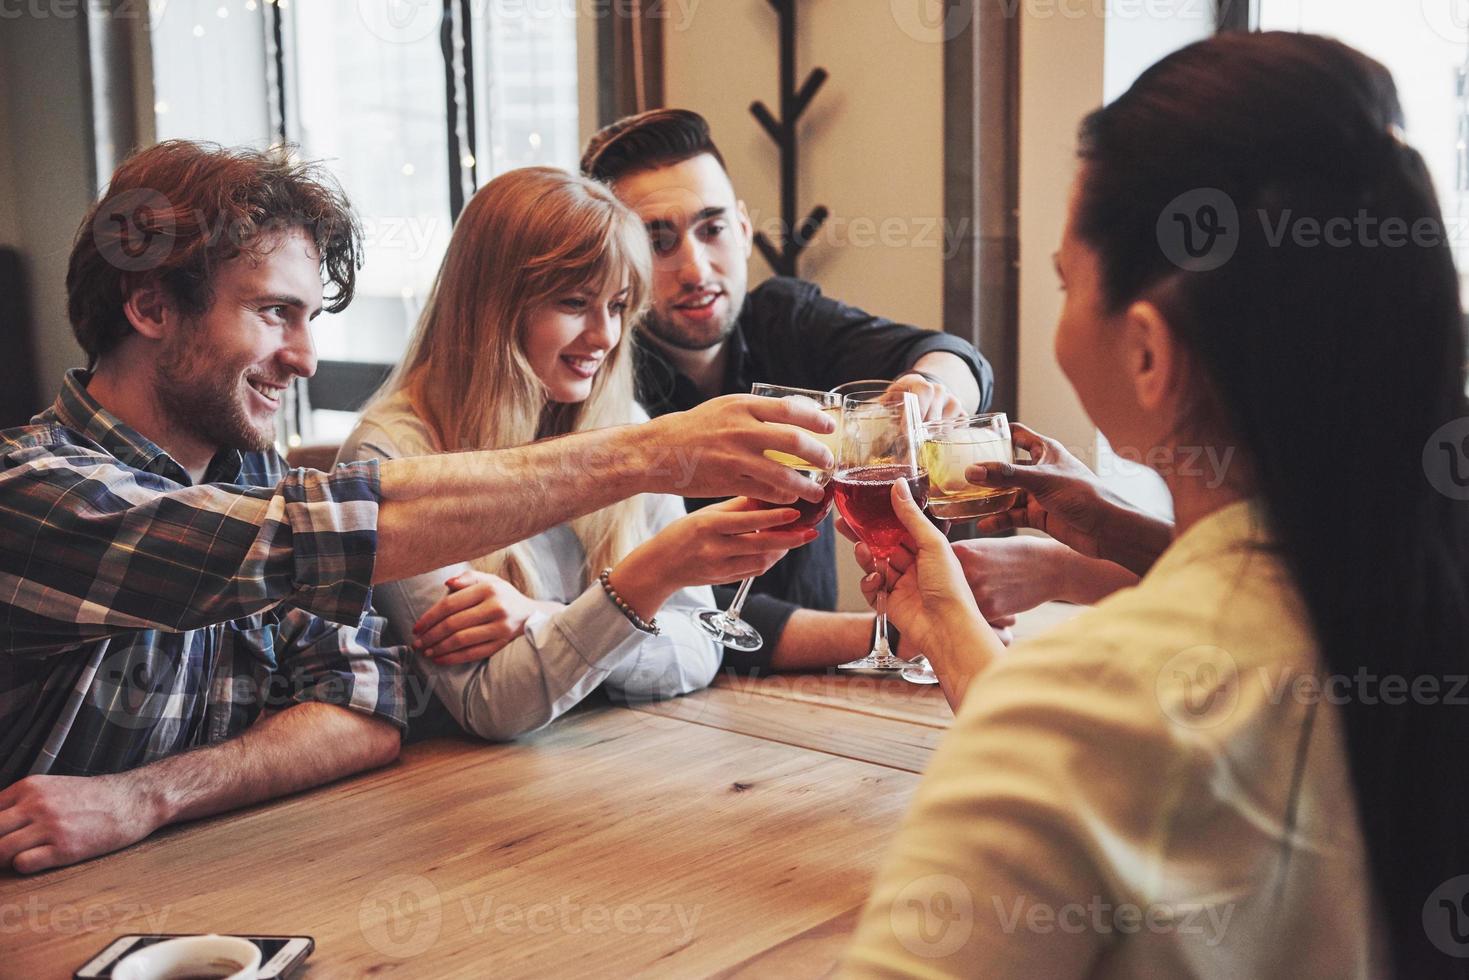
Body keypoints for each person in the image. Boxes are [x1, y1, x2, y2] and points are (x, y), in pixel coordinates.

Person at [0, 141, 835, 874]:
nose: (305, 357)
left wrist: (146, 797)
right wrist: (653, 459)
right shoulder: (32, 496)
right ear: (148, 307)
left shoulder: (253, 475)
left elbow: (366, 710)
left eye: (311, 317)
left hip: (220, 877)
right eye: (272, 313)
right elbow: (327, 543)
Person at [842, 33, 1468, 977]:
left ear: (1146, 353)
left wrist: (951, 628)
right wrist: (1114, 540)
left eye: (1063, 283)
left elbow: (1098, 747)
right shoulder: (1417, 586)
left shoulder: (1094, 708)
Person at [339, 168, 818, 741]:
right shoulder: (388, 455)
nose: (605, 336)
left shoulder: (626, 426)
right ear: (491, 306)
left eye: (618, 306)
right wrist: (649, 577)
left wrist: (543, 618)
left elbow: (701, 651)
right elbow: (490, 702)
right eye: (574, 303)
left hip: (612, 771)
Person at [582, 109, 997, 671]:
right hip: (662, 708)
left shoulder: (784, 319)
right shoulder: (595, 381)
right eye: (659, 242)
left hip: (813, 706)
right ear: (617, 262)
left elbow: (953, 354)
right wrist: (896, 635)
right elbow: (659, 612)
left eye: (712, 229)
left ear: (745, 228)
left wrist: (929, 388)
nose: (696, 267)